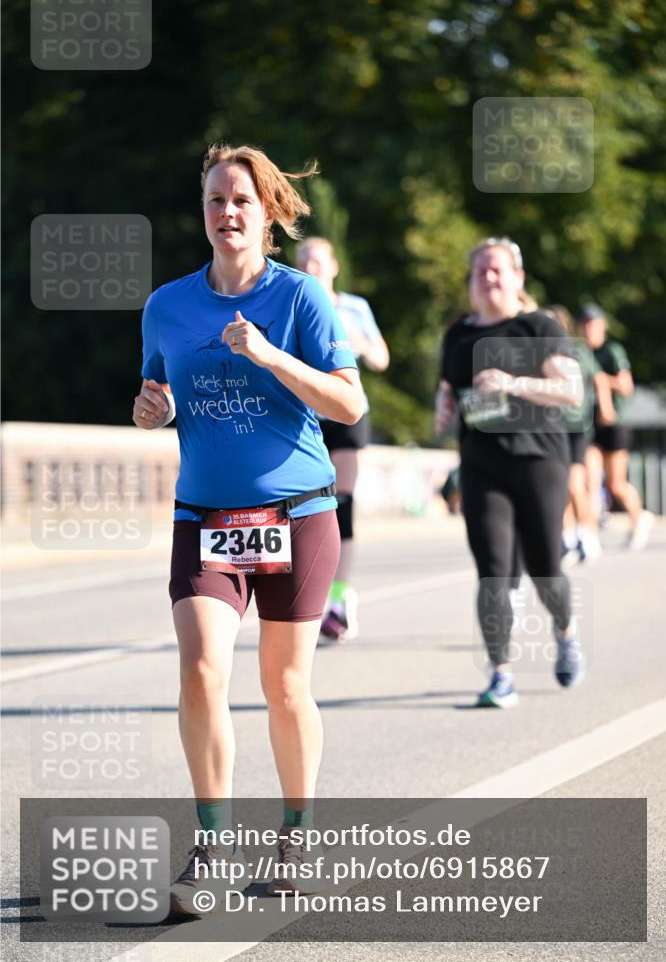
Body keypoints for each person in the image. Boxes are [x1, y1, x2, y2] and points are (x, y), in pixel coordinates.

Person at [133, 143, 364, 914]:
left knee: (285, 685)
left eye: (239, 200)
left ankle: (295, 834)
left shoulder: (300, 300)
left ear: (267, 213)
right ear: (201, 213)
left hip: (296, 515)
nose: (226, 213)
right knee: (201, 671)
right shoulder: (166, 305)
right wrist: (153, 409)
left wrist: (270, 357)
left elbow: (349, 405)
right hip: (203, 517)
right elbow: (157, 392)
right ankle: (210, 845)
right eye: (213, 201)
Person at [435, 237, 585, 709]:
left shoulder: (537, 326)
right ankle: (500, 673)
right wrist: (443, 408)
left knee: (545, 570)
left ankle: (566, 632)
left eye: (498, 270)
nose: (489, 278)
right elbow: (449, 390)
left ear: (518, 279)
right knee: (493, 572)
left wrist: (513, 383)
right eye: (480, 271)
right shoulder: (458, 335)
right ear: (471, 282)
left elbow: (572, 391)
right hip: (481, 465)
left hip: (539, 461)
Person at [295, 238, 389, 642]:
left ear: (333, 266)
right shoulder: (294, 304)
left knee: (343, 504)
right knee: (308, 506)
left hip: (348, 413)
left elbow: (381, 359)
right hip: (306, 414)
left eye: (317, 260)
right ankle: (309, 593)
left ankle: (339, 597)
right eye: (303, 261)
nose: (311, 266)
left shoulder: (355, 307)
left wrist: (357, 341)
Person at [577, 304, 654, 550]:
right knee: (589, 480)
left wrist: (602, 381)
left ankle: (639, 517)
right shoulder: (581, 352)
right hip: (590, 424)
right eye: (585, 325)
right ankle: (587, 535)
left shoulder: (611, 350)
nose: (589, 330)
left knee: (615, 484)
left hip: (614, 423)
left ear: (602, 326)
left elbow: (625, 386)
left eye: (593, 325)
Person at [547, 305, 613, 564]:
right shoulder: (542, 352)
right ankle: (568, 538)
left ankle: (587, 533)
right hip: (553, 428)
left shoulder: (577, 349)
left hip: (575, 426)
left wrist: (605, 406)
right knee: (558, 486)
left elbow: (599, 380)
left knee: (574, 482)